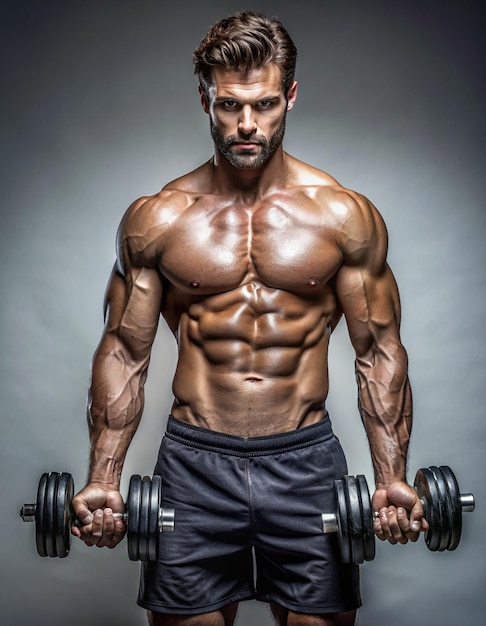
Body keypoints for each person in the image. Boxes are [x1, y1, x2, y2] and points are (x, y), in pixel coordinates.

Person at [71, 10, 428, 626]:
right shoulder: (159, 219)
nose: (246, 125)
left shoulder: (342, 216)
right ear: (204, 98)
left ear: (290, 95)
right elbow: (125, 352)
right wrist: (103, 478)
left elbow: (378, 352)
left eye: (263, 105)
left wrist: (390, 477)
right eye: (229, 105)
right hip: (194, 465)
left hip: (307, 463)